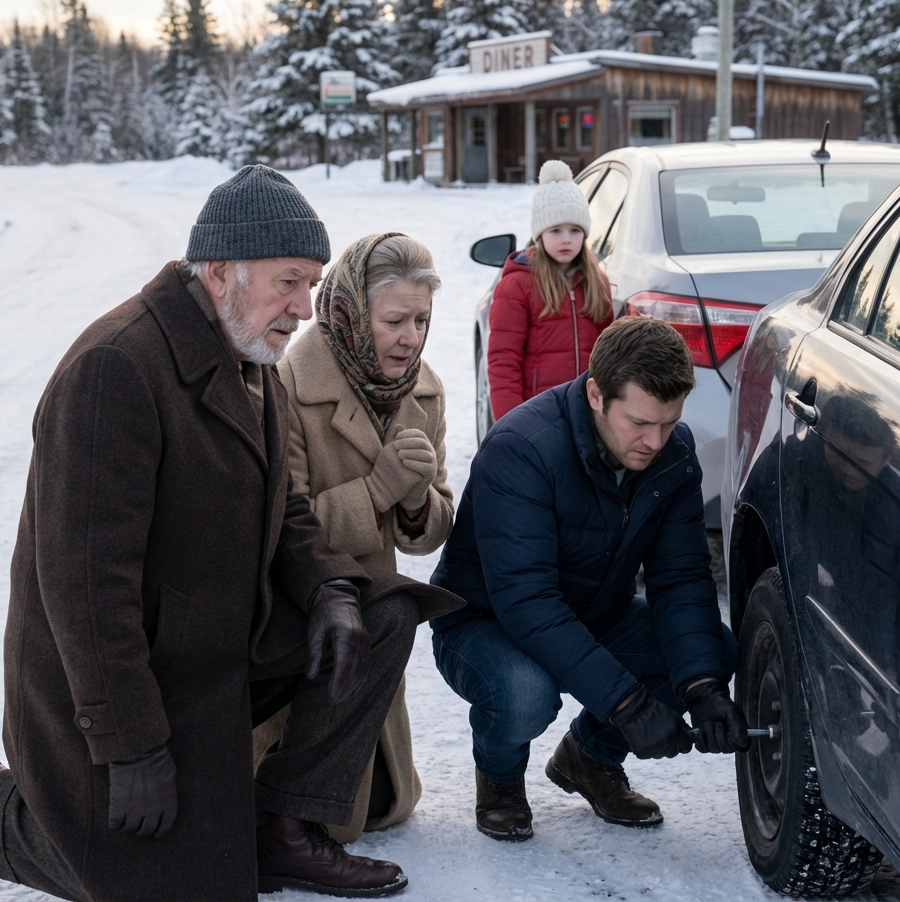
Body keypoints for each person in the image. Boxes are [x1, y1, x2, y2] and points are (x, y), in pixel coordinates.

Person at [0, 165, 461, 902]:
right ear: (223, 271)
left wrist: (327, 585)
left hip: (222, 639)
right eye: (289, 282)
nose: (305, 307)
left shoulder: (248, 354)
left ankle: (283, 827)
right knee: (180, 880)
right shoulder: (116, 369)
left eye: (313, 284)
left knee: (380, 609)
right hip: (122, 676)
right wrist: (129, 743)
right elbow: (84, 587)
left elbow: (282, 505)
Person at [430, 315, 749, 842]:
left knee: (712, 649)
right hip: (486, 624)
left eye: (669, 423)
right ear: (597, 394)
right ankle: (501, 780)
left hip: (595, 612)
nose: (655, 440)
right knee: (525, 693)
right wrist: (627, 703)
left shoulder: (673, 454)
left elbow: (682, 577)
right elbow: (528, 602)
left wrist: (701, 686)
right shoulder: (523, 449)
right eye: (640, 423)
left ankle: (589, 760)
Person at [275, 231, 453, 842]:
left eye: (422, 320)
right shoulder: (288, 384)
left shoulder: (423, 390)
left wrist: (412, 500)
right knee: (331, 817)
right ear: (352, 312)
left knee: (381, 802)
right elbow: (278, 528)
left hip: (372, 615)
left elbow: (430, 531)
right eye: (395, 320)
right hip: (300, 615)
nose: (411, 338)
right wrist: (376, 492)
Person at [487, 160, 613, 421]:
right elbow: (503, 362)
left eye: (575, 230)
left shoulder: (597, 282)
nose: (566, 239)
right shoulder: (518, 285)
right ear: (540, 234)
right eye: (556, 230)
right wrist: (511, 425)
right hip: (538, 416)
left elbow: (608, 353)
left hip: (588, 416)